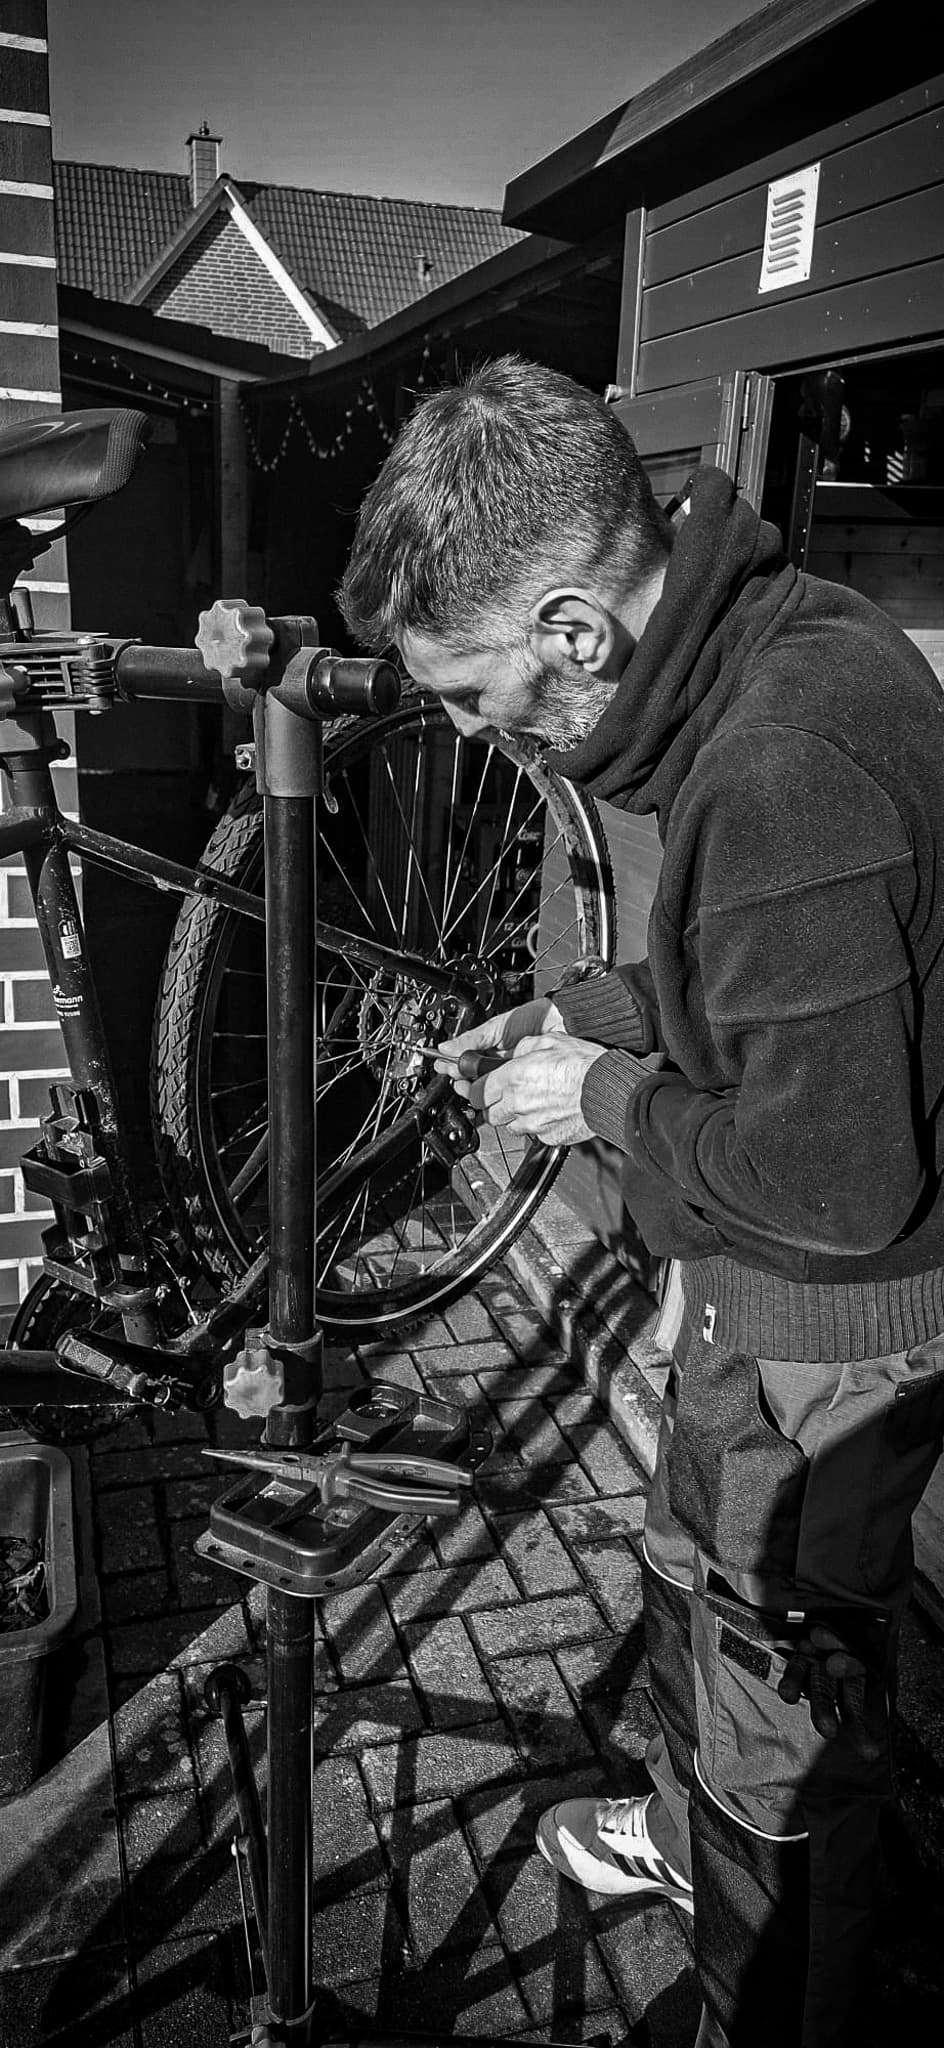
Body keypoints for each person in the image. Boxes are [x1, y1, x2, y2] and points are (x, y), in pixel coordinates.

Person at [337, 354, 944, 2047]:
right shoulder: (772, 638)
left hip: (828, 1329)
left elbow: (833, 1180)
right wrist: (579, 1014)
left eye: (471, 692)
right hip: (755, 1295)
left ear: (574, 632)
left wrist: (594, 1099)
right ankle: (685, 1836)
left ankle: (769, 1985)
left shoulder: (784, 761)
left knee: (778, 1705)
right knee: (692, 1569)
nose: (470, 732)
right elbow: (754, 986)